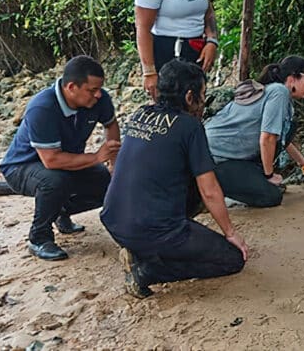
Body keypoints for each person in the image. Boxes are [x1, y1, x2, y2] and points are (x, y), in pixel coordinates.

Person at [100, 60, 248, 298]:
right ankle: (146, 271)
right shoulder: (189, 127)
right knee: (231, 259)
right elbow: (209, 190)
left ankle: (142, 250)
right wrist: (230, 233)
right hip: (151, 228)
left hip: (114, 220)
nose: (202, 103)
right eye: (202, 95)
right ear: (190, 97)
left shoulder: (140, 115)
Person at [0, 56, 121, 261]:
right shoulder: (43, 107)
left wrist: (114, 166)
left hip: (65, 160)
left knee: (108, 183)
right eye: (92, 90)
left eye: (99, 89)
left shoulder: (98, 99)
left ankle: (60, 211)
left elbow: (111, 124)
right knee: (55, 181)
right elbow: (51, 160)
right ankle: (39, 238)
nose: (98, 94)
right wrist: (97, 157)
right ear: (72, 87)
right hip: (23, 167)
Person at [205, 56, 304, 207]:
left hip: (231, 156)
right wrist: (269, 175)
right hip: (216, 157)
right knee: (271, 197)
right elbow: (268, 138)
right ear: (292, 78)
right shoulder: (279, 92)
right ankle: (217, 187)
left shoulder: (281, 97)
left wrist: (301, 161)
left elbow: (279, 136)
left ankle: (245, 182)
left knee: (290, 128)